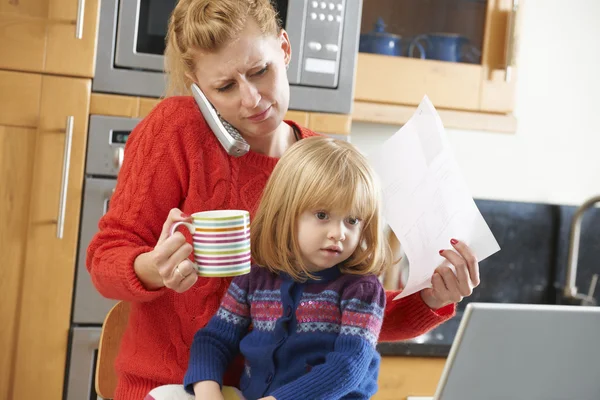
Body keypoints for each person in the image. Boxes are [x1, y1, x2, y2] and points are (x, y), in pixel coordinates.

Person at [86, 0, 481, 398]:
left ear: (285, 49)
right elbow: (105, 259)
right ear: (196, 85)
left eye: (260, 72)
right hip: (169, 385)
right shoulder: (174, 130)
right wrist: (154, 268)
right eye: (224, 87)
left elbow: (340, 315)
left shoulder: (321, 164)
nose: (252, 99)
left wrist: (430, 298)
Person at [185, 136, 391, 400]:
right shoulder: (254, 278)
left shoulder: (362, 290)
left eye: (352, 220)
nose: (338, 233)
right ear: (285, 212)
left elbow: (347, 367)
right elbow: (214, 339)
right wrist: (208, 392)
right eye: (322, 215)